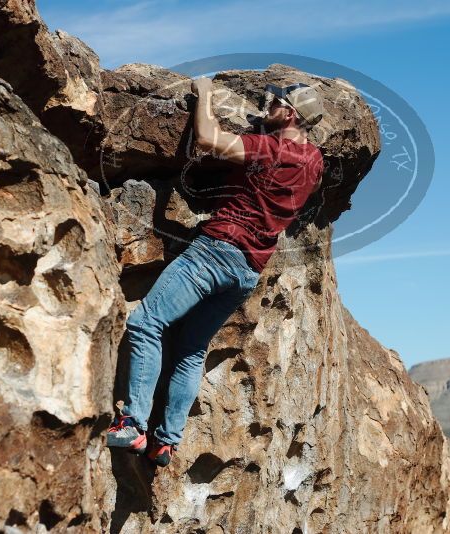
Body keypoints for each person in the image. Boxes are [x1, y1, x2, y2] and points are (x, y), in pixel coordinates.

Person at [105, 77, 326, 467]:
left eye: (274, 102)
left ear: (290, 114)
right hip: (248, 269)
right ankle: (167, 442)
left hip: (216, 252)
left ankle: (134, 425)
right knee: (190, 350)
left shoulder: (272, 149)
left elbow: (208, 139)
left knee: (147, 323)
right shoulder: (314, 161)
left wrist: (205, 93)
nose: (266, 105)